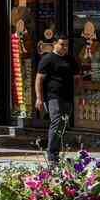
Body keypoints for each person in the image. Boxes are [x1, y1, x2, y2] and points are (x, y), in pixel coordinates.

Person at [34, 36, 77, 166]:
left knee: (63, 125)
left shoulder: (70, 59)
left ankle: (57, 152)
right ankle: (52, 154)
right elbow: (39, 79)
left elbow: (77, 77)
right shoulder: (47, 59)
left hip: (68, 97)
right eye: (62, 44)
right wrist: (39, 98)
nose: (64, 48)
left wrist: (80, 95)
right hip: (53, 97)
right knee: (57, 121)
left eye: (66, 45)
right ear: (54, 44)